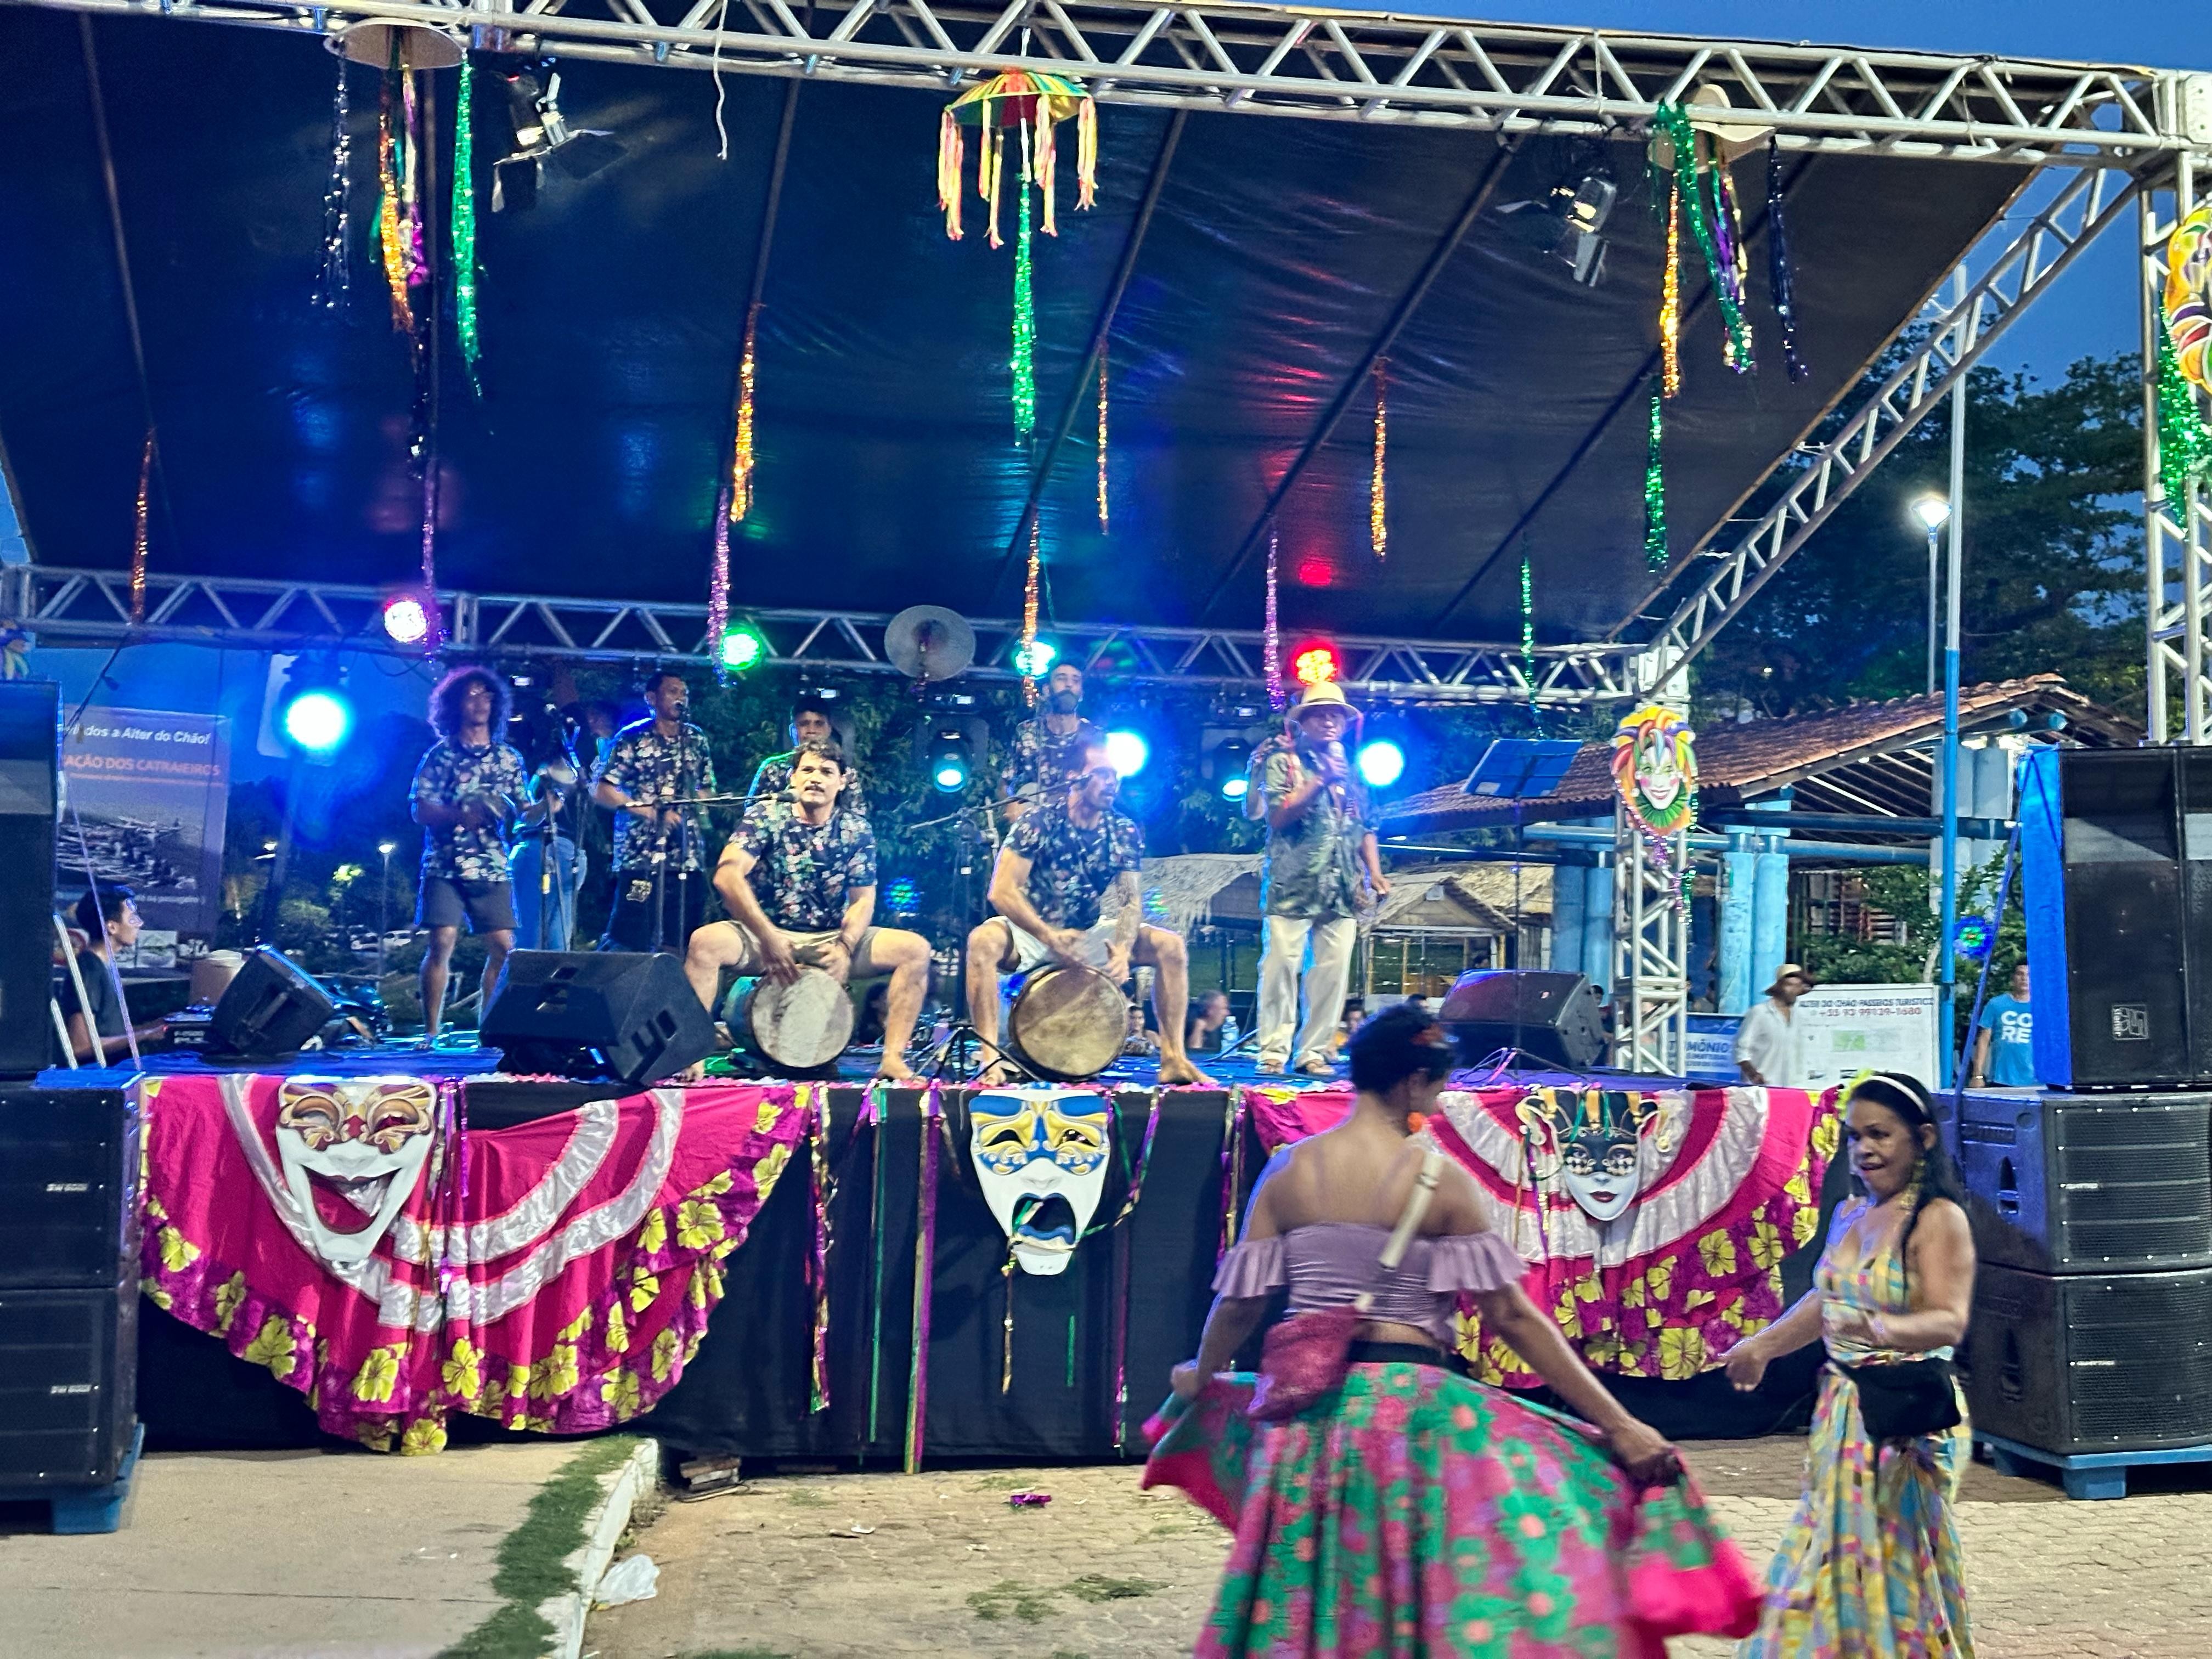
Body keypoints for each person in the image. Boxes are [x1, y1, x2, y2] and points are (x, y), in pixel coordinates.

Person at [1146, 1005, 1756, 1655]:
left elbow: (1240, 1304)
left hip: (1306, 1424)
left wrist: (1201, 1373)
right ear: (1412, 1083)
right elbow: (1513, 1317)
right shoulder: (1439, 1182)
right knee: (1410, 1593)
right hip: (1409, 1421)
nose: (1440, 1102)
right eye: (1438, 1086)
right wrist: (1619, 1423)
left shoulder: (1291, 1168)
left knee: (1313, 1590)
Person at [1726, 1071, 1976, 1655]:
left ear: (1924, 1140)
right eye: (1854, 1137)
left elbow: (1949, 1319)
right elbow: (1826, 1300)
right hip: (1843, 1416)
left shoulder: (1938, 1219)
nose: (1864, 1149)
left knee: (1888, 1559)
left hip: (1904, 1420)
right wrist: (1761, 1346)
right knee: (1837, 1549)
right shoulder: (1849, 1212)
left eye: (1881, 1135)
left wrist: (1881, 1327)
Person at [968, 736, 1213, 1087]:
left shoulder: (1123, 830)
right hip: (1032, 932)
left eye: (1115, 775)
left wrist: (1124, 950)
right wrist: (1048, 935)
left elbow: (1130, 901)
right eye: (1102, 774)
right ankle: (990, 1056)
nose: (1112, 782)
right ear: (1074, 778)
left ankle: (1173, 1058)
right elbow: (1002, 891)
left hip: (1087, 934)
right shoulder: (1038, 822)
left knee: (1170, 946)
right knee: (982, 941)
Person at [684, 741, 932, 1081]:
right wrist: (768, 936)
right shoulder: (766, 816)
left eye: (827, 772)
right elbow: (727, 876)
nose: (816, 779)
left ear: (842, 782)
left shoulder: (856, 830)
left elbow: (863, 899)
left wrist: (846, 948)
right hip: (767, 933)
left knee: (915, 950)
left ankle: (892, 1058)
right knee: (705, 943)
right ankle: (692, 1055)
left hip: (828, 938)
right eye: (808, 770)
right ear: (792, 778)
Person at [1255, 681, 1389, 1077]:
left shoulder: (1355, 769)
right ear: (1304, 722)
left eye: (1336, 715)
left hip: (1343, 886)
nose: (1329, 720)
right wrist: (1321, 780)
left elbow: (1365, 826)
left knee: (1332, 973)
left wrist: (1376, 874)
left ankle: (1313, 1052)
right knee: (1281, 966)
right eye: (1320, 714)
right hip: (1293, 883)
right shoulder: (1285, 761)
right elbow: (1277, 816)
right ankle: (1273, 1052)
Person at [411, 665, 528, 1040]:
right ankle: (431, 1032)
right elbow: (419, 809)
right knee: (442, 941)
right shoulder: (440, 755)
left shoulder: (509, 758)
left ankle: (488, 1029)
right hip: (445, 864)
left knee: (504, 949)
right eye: (472, 695)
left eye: (487, 695)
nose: (481, 703)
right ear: (456, 704)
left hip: (492, 864)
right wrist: (460, 815)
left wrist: (554, 801)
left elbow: (525, 809)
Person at [592, 670, 718, 953]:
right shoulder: (633, 737)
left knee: (683, 941)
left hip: (687, 857)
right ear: (652, 698)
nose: (680, 698)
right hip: (642, 856)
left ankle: (671, 995)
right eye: (673, 692)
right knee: (629, 939)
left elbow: (708, 789)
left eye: (684, 693)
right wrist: (649, 812)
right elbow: (602, 790)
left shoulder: (696, 739)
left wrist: (692, 803)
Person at [58, 887, 169, 1063]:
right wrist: (145, 1034)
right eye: (133, 918)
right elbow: (80, 1046)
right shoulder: (90, 968)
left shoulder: (104, 965)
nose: (140, 923)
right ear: (112, 927)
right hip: (98, 1082)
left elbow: (108, 1032)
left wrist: (155, 1026)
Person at [999, 661, 1105, 823]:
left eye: (1076, 681)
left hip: (1076, 826)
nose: (1069, 685)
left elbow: (1106, 787)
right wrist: (1010, 804)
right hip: (1033, 826)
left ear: (1081, 694)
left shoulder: (1094, 737)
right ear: (1047, 690)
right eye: (1062, 679)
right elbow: (1004, 783)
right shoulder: (1027, 731)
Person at [749, 694, 868, 819]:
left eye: (819, 724)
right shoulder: (773, 769)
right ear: (793, 730)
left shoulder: (845, 774)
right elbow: (753, 810)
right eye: (804, 724)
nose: (812, 730)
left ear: (829, 729)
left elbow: (857, 817)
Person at [1736, 963, 1814, 1087]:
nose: (1793, 990)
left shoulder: (1800, 1016)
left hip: (1793, 1088)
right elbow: (1741, 1050)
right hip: (1761, 1089)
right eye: (1789, 985)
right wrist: (1754, 1075)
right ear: (1779, 987)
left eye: (1797, 986)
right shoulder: (1759, 1013)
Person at [1970, 961, 2034, 1088]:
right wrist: (1977, 1075)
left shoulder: (2044, 1007)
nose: (2024, 979)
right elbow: (1983, 1040)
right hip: (2002, 1078)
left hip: (2037, 1081)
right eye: (2020, 974)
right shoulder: (1996, 1004)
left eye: (2029, 975)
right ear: (2013, 978)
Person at [1187, 989, 1231, 1055]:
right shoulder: (1191, 1029)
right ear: (1209, 1010)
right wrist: (1198, 1030)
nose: (1227, 1013)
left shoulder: (1222, 1030)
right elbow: (1195, 1055)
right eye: (1223, 1009)